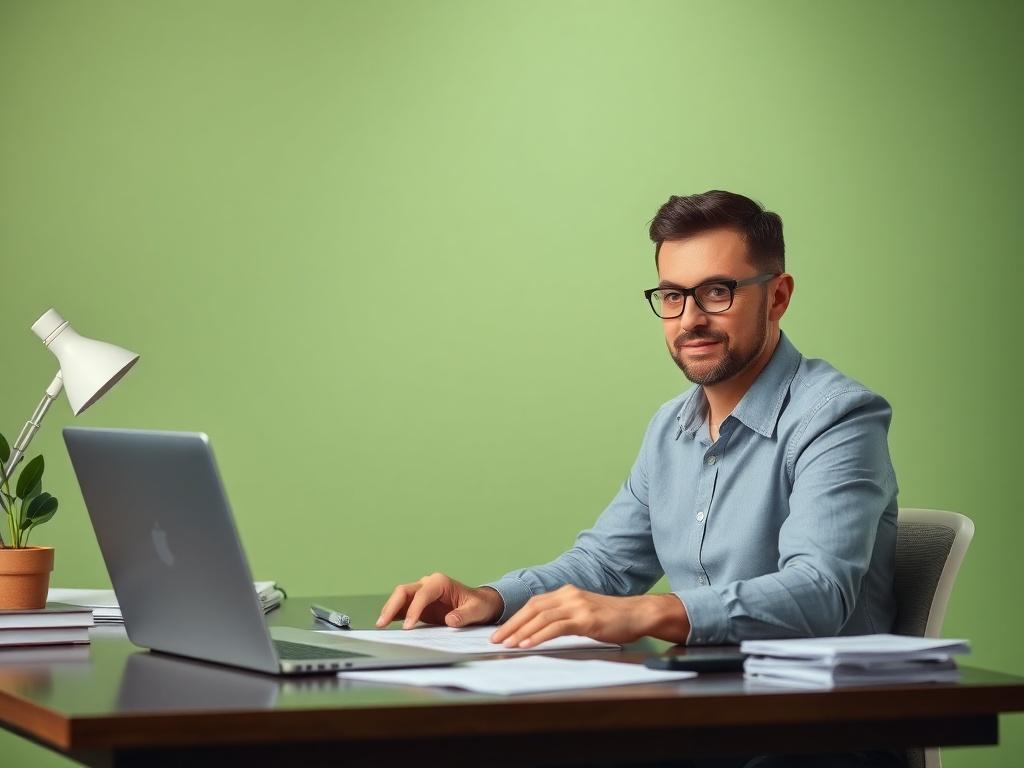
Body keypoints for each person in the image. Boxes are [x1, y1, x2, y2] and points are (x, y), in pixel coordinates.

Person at [377, 190, 898, 653]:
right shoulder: (670, 427)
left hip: (818, 727)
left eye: (718, 291)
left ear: (778, 296)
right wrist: (491, 598)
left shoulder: (837, 417)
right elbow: (604, 567)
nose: (690, 318)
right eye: (673, 295)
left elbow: (820, 590)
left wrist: (648, 612)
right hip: (703, 714)